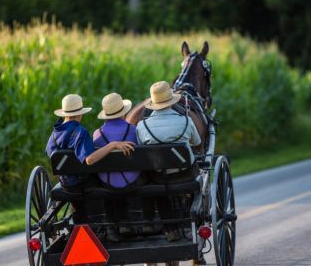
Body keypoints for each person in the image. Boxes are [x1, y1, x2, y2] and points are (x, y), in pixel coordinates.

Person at [46, 94, 135, 224]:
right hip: (80, 182)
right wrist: (113, 145)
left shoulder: (55, 133)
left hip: (66, 182)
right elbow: (89, 159)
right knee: (104, 180)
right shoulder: (79, 132)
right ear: (80, 114)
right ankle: (111, 223)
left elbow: (50, 152)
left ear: (65, 114)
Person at [136, 81, 201, 244]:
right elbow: (197, 142)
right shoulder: (186, 120)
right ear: (172, 101)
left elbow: (141, 148)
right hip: (185, 174)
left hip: (159, 176)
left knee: (156, 181)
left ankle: (170, 229)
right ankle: (189, 221)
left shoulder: (142, 125)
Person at [92, 93, 142, 241]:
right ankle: (131, 222)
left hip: (108, 183)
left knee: (107, 182)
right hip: (132, 181)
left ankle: (112, 228)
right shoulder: (133, 130)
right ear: (124, 111)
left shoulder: (97, 134)